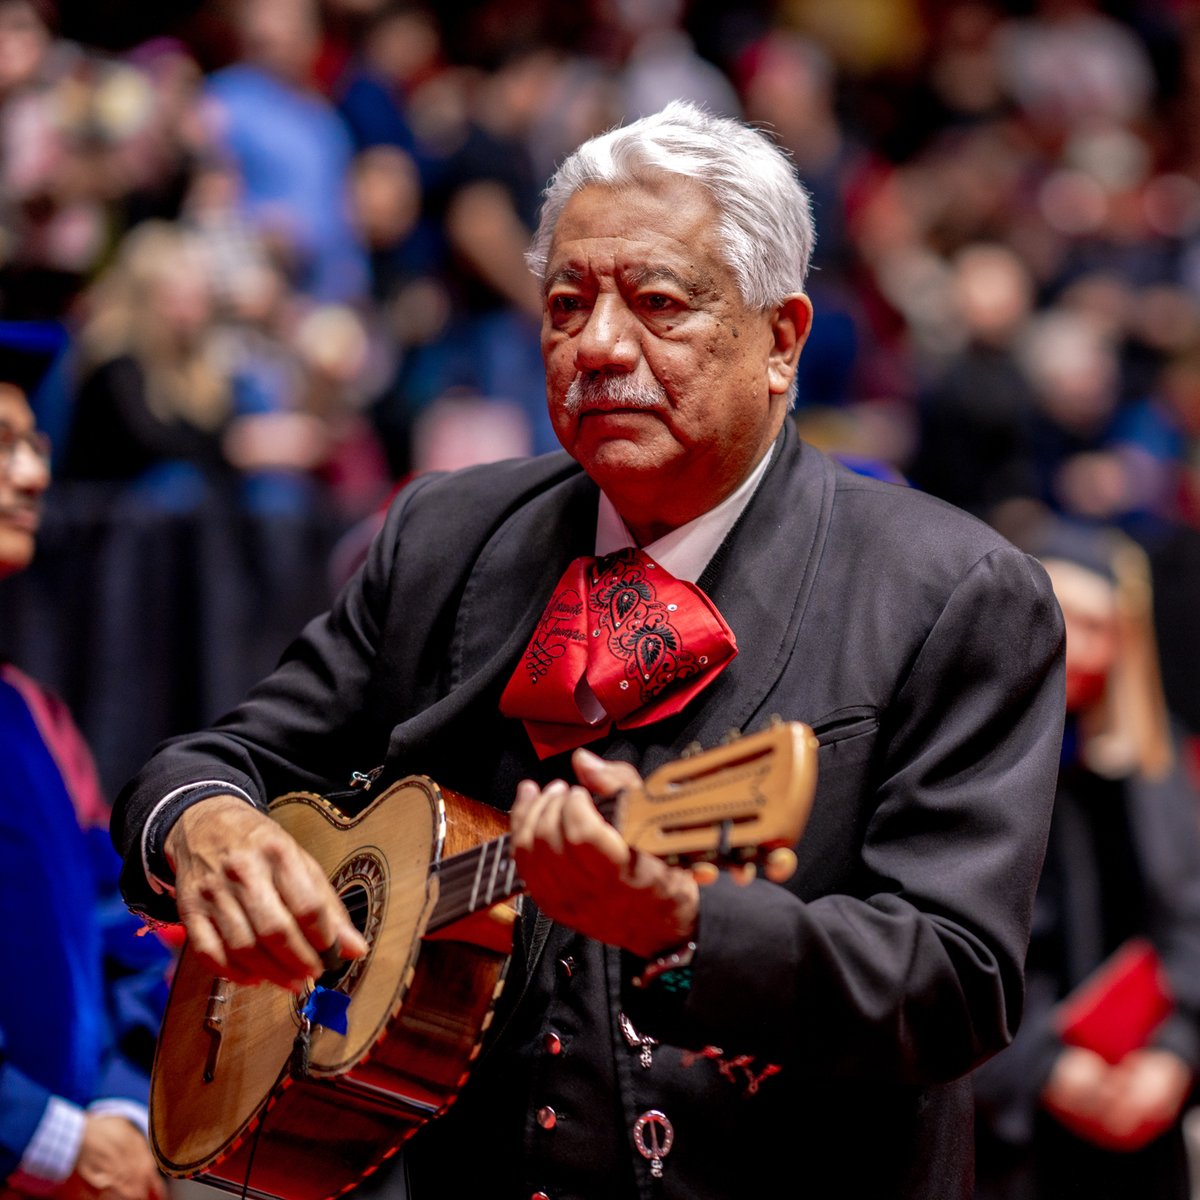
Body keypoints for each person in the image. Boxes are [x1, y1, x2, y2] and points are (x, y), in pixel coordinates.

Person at [111, 101, 1066, 1199]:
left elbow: (961, 980)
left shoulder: (952, 593)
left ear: (782, 342)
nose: (601, 346)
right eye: (567, 305)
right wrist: (203, 824)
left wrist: (692, 926)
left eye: (658, 303)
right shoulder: (446, 538)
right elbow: (204, 765)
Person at [973, 517, 1200, 1200]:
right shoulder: (970, 755)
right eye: (1060, 615)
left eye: (1100, 626)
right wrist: (1044, 1065)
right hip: (1008, 1123)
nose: (1078, 645)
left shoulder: (1152, 768)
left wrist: (1177, 1054)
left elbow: (1190, 922)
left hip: (1140, 1106)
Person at [0, 350, 169, 1200]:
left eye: (34, 443)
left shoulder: (32, 716)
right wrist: (49, 1137)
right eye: (1, 446)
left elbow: (119, 924)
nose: (33, 473)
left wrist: (120, 1107)